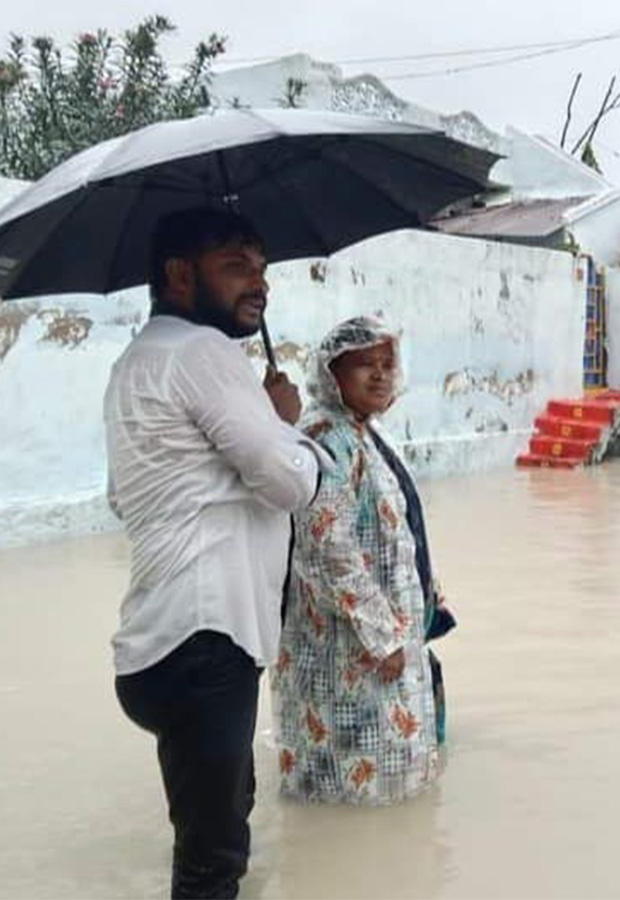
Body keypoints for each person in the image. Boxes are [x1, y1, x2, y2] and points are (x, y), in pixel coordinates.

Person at [104, 207, 328, 899]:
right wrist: (284, 423)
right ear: (178, 273)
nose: (258, 283)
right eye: (236, 265)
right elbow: (288, 482)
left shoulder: (135, 362)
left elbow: (124, 497)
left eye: (261, 267)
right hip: (208, 640)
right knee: (211, 864)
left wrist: (256, 430)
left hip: (159, 642)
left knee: (224, 820)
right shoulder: (204, 355)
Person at [273, 316, 453, 805]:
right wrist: (383, 634)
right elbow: (330, 551)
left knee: (388, 766)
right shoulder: (325, 438)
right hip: (352, 645)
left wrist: (425, 592)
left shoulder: (365, 431)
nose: (379, 375)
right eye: (363, 366)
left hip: (387, 635)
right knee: (347, 770)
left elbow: (396, 526)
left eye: (386, 364)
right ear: (332, 374)